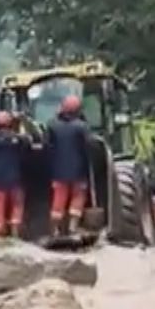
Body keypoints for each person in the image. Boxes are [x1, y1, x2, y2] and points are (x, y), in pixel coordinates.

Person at [45, 94, 93, 237]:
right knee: (78, 198)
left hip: (58, 171)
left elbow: (47, 146)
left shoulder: (52, 125)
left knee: (58, 200)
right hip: (78, 171)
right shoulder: (82, 127)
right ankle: (73, 228)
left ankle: (55, 230)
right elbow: (88, 147)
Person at [0, 110, 29, 238]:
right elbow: (27, 143)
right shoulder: (16, 139)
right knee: (17, 206)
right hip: (15, 180)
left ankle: (0, 237)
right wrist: (20, 122)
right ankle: (15, 235)